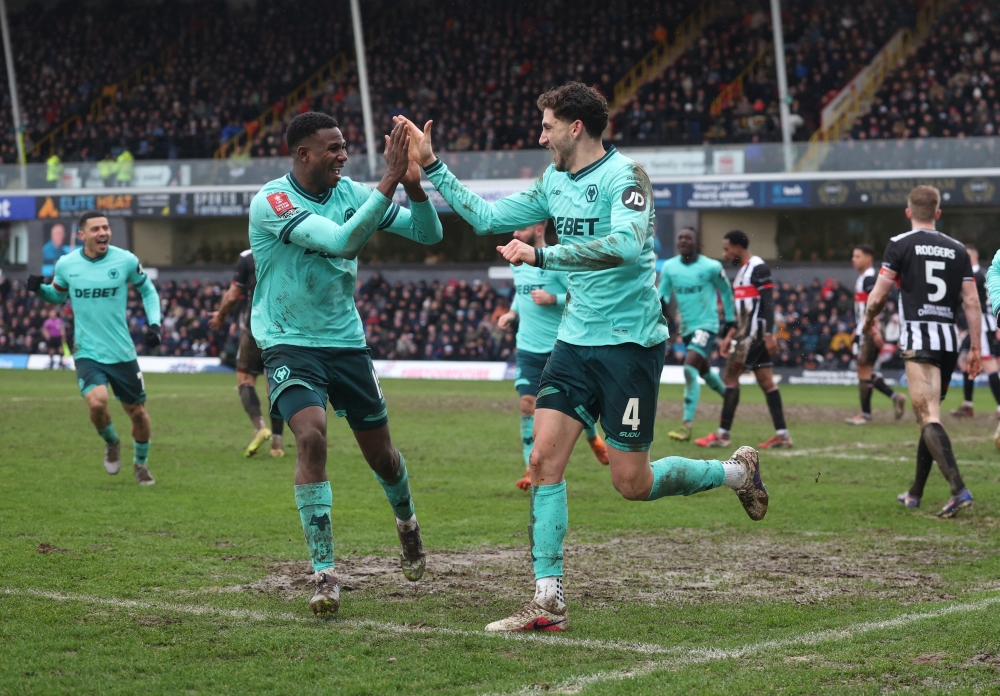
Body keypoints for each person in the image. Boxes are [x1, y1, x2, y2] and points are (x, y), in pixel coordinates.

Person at [396, 82, 768, 633]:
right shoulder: (553, 183)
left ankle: (735, 472)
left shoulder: (627, 178)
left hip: (629, 346)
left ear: (575, 128)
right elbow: (485, 217)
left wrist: (543, 254)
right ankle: (548, 601)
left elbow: (622, 245)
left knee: (631, 483)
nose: (540, 135)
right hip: (573, 344)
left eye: (547, 126)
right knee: (544, 463)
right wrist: (434, 167)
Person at [250, 112, 443, 615]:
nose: (342, 155)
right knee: (310, 435)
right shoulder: (273, 201)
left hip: (346, 344)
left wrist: (414, 186)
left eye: (344, 147)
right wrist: (387, 180)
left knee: (382, 457)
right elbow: (342, 242)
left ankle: (407, 526)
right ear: (302, 154)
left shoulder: (354, 193)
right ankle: (325, 573)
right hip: (289, 341)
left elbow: (429, 235)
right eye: (332, 148)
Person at [864, 185, 980, 518]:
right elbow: (971, 301)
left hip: (919, 339)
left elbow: (878, 296)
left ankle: (959, 490)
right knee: (930, 416)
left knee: (928, 416)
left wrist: (868, 321)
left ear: (908, 212)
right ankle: (915, 492)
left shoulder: (900, 244)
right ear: (938, 213)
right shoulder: (958, 249)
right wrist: (974, 346)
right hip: (947, 342)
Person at [27, 211, 162, 485]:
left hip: (121, 352)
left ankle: (141, 463)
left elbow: (148, 290)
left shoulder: (125, 260)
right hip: (87, 350)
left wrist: (155, 324)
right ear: (82, 235)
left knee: (137, 412)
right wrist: (40, 290)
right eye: (96, 229)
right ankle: (112, 441)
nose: (103, 233)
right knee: (97, 402)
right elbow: (57, 295)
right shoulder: (66, 264)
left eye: (106, 227)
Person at [496, 221, 609, 491]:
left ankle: (593, 438)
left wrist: (553, 299)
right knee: (526, 404)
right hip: (527, 348)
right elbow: (520, 294)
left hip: (560, 348)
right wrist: (512, 313)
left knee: (575, 405)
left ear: (538, 229)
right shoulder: (516, 262)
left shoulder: (556, 261)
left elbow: (579, 294)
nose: (514, 234)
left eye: (519, 229)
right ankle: (528, 466)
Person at [695, 230, 792, 449]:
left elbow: (768, 303)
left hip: (753, 335)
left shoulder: (758, 268)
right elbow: (744, 310)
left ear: (739, 247)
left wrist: (769, 334)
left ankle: (722, 434)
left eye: (727, 249)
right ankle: (782, 434)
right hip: (747, 333)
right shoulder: (742, 273)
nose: (725, 254)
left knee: (730, 377)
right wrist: (730, 333)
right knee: (766, 381)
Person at [657, 227, 736, 442]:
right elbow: (662, 292)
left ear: (696, 242)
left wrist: (730, 320)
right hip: (688, 328)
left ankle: (686, 426)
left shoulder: (711, 266)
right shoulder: (670, 267)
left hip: (707, 325)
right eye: (680, 237)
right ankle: (730, 398)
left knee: (690, 369)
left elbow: (726, 292)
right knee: (705, 373)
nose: (683, 240)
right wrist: (660, 305)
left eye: (688, 237)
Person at [209, 249, 286, 458]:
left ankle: (260, 426)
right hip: (283, 329)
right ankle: (277, 445)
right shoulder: (289, 249)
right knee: (275, 384)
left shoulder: (248, 256)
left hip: (255, 327)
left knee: (245, 379)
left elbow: (233, 295)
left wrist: (221, 316)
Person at [845, 243, 907, 425]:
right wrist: (857, 329)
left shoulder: (870, 278)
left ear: (868, 258)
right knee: (865, 370)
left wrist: (873, 330)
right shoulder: (864, 278)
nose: (853, 259)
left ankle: (866, 415)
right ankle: (895, 397)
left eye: (857, 256)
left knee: (863, 370)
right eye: (853, 256)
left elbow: (876, 305)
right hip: (864, 329)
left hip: (869, 330)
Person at [950, 244, 1000, 429]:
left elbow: (974, 301)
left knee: (988, 364)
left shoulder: (977, 276)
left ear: (972, 257)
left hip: (982, 323)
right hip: (975, 325)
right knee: (964, 362)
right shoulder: (982, 275)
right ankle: (968, 404)